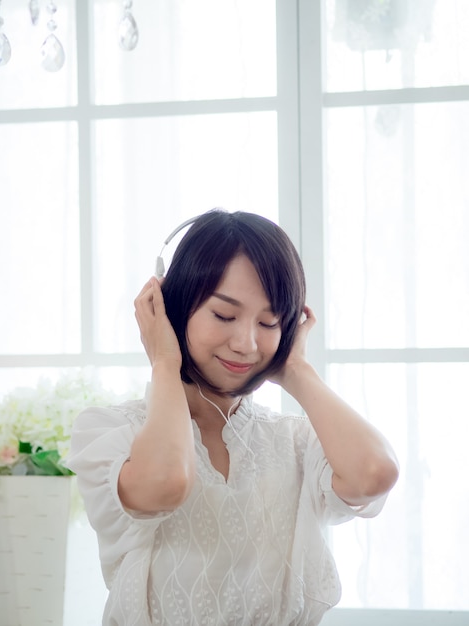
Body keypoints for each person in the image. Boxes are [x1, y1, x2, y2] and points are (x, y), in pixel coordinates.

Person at [67, 209, 399, 626]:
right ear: (172, 308)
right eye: (224, 316)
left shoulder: (295, 440)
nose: (246, 343)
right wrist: (164, 363)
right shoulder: (111, 432)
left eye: (269, 322)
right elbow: (165, 484)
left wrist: (297, 371)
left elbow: (374, 472)